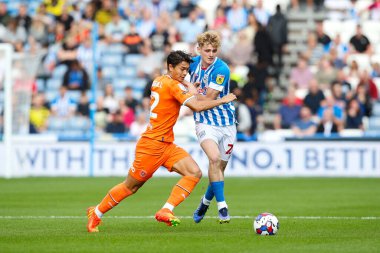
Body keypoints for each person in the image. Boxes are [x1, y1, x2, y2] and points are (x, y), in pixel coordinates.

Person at [86, 50, 236, 232]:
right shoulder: (174, 86)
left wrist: (189, 87)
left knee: (194, 172)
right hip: (151, 145)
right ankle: (97, 213)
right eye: (181, 69)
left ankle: (166, 210)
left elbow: (178, 94)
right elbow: (196, 105)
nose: (184, 73)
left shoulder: (159, 80)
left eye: (187, 70)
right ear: (170, 67)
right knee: (131, 187)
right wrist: (223, 100)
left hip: (166, 144)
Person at [187, 31, 237, 224]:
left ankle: (205, 202)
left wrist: (190, 92)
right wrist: (187, 88)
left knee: (219, 169)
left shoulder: (221, 69)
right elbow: (174, 75)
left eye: (214, 50)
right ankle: (222, 207)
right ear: (199, 49)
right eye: (207, 50)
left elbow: (208, 99)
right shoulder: (191, 64)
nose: (210, 53)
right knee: (214, 159)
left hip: (226, 123)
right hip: (204, 122)